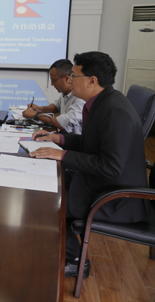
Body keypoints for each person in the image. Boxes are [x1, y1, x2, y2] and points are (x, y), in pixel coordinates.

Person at [30, 52, 149, 279]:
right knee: (48, 183)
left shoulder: (114, 111)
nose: (70, 80)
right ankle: (64, 249)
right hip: (103, 184)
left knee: (48, 201)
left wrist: (63, 155)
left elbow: (111, 166)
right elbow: (92, 143)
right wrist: (59, 139)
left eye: (74, 76)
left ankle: (76, 261)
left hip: (117, 197)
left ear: (92, 81)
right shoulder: (103, 102)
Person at [22, 59, 85, 134]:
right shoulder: (65, 93)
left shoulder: (80, 98)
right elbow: (56, 106)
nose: (52, 84)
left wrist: (36, 115)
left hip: (73, 139)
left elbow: (64, 123)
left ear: (67, 78)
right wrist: (39, 108)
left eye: (54, 80)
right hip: (63, 136)